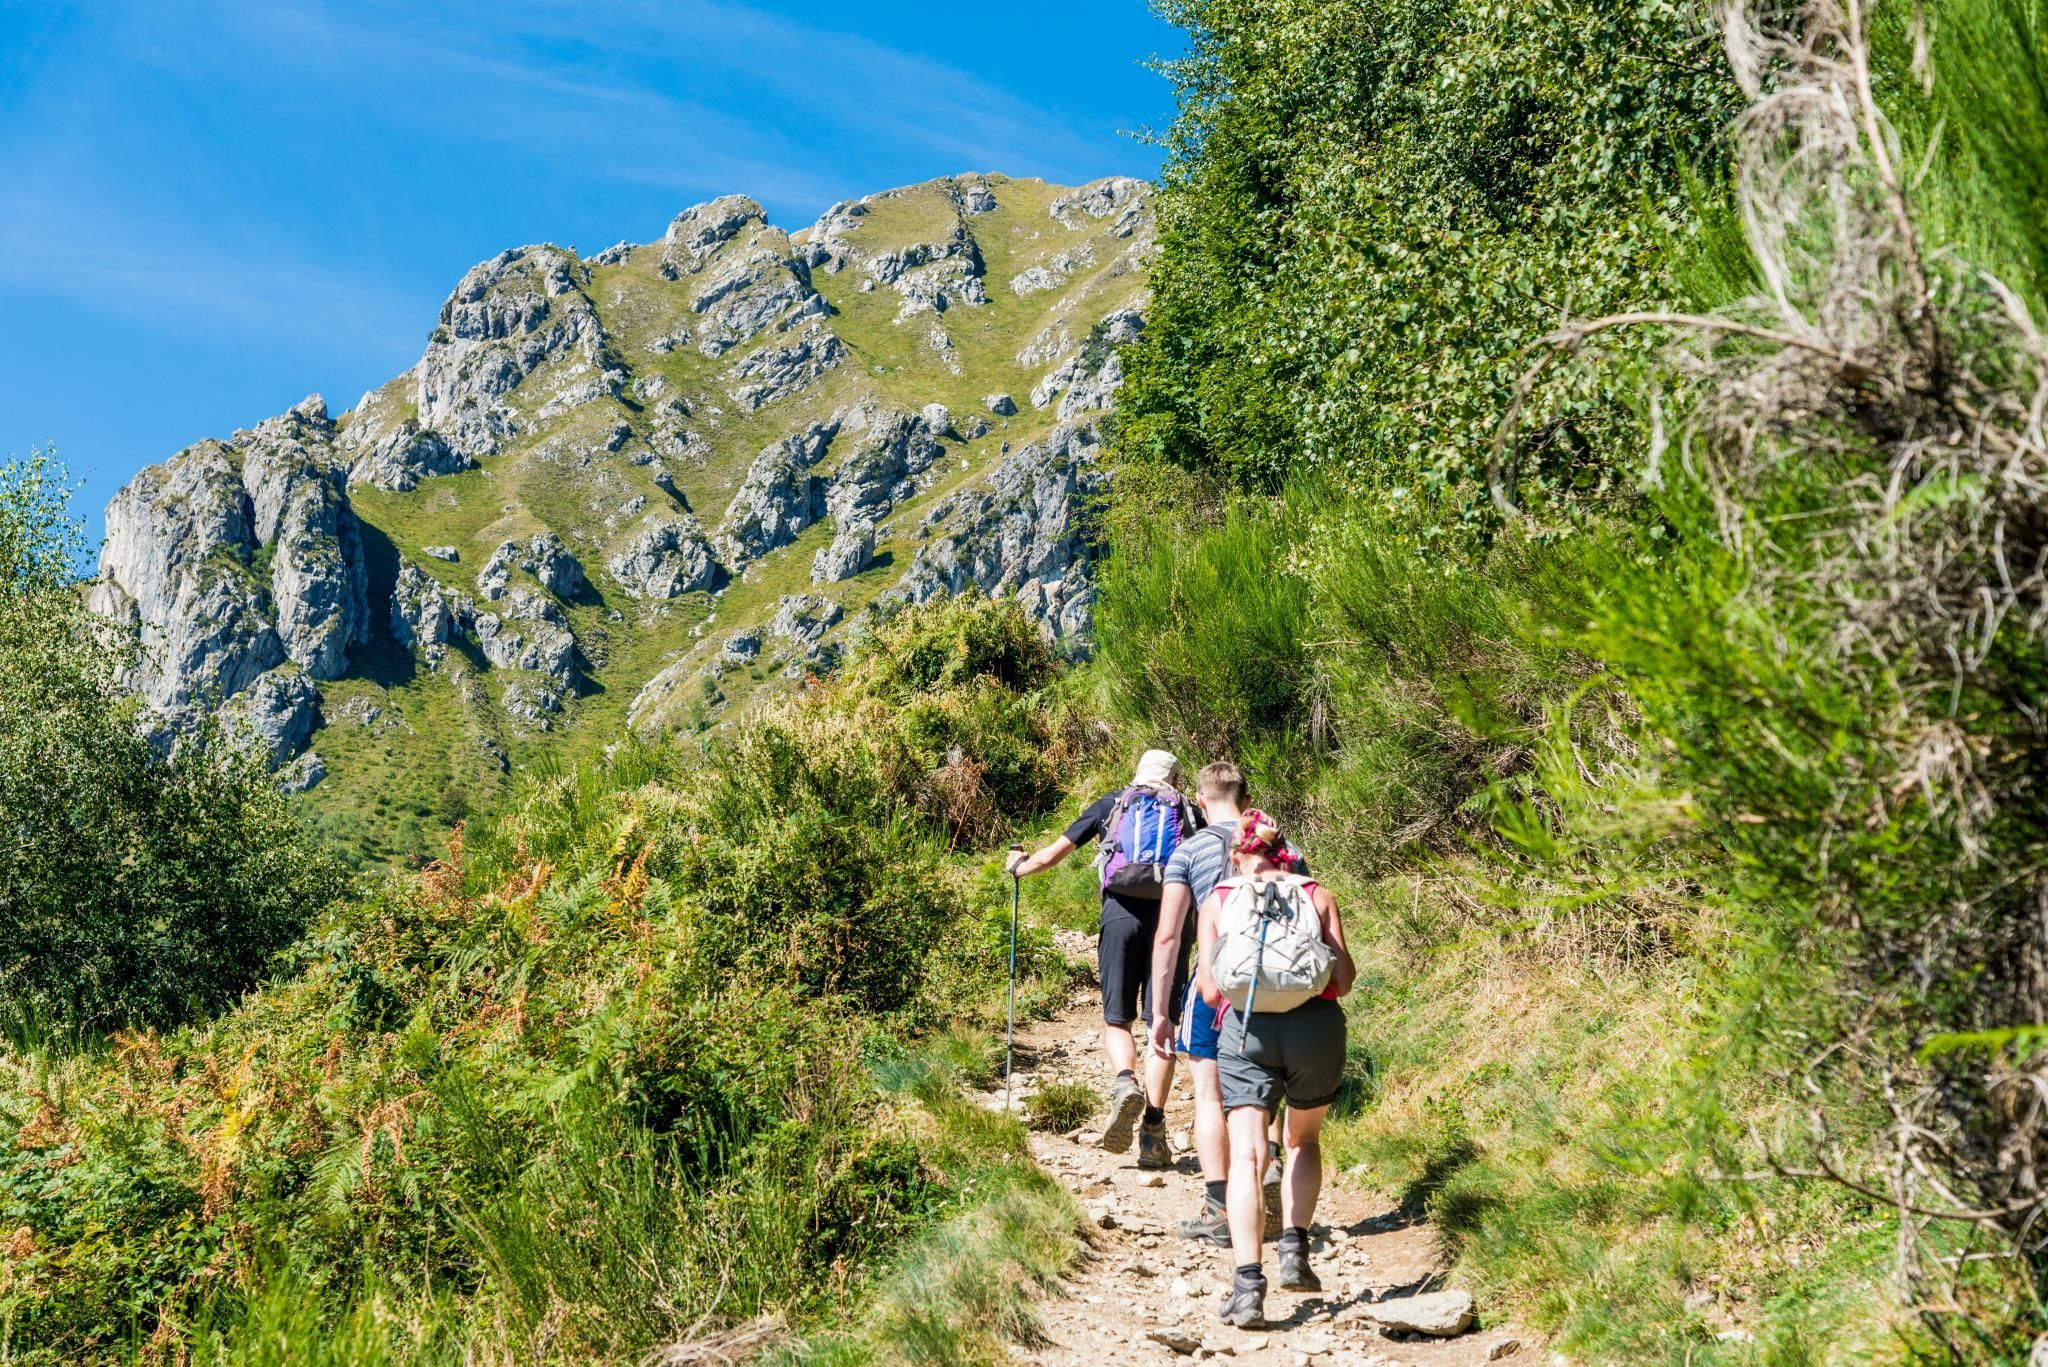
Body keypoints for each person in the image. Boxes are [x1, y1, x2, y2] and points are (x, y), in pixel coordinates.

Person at [1194, 810, 1354, 1329]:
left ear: (1237, 856)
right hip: (1315, 1030)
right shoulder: (1316, 894)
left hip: (1247, 1032)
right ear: (1284, 851)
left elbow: (1210, 991)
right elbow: (1344, 980)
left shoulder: (1219, 900)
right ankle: (1294, 1249)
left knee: (1247, 1155)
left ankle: (1247, 1288)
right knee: (1302, 1140)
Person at [1008, 749, 1192, 1163]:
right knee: (1160, 1024)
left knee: (1117, 1019)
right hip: (1175, 922)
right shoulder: (1190, 813)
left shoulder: (1113, 803)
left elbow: (1051, 855)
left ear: (1138, 775)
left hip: (1120, 917)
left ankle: (1125, 1081)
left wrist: (1019, 866)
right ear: (1176, 781)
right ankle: (1153, 1129)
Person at [1149, 762, 1303, 1243]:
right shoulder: (1284, 847)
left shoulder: (1188, 850)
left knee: (1210, 1094)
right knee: (1266, 1085)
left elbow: (1169, 935)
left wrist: (1160, 1011)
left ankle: (1218, 1207)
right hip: (1281, 985)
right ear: (1246, 797)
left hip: (1215, 984)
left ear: (1199, 801)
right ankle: (1269, 1167)